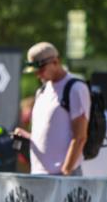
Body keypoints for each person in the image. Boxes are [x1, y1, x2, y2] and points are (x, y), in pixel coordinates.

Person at [12, 42, 89, 176]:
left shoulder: (75, 88)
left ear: (55, 61)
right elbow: (52, 135)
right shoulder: (41, 91)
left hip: (63, 176)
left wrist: (66, 171)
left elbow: (80, 136)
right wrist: (28, 137)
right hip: (39, 174)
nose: (38, 74)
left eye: (40, 69)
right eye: (35, 71)